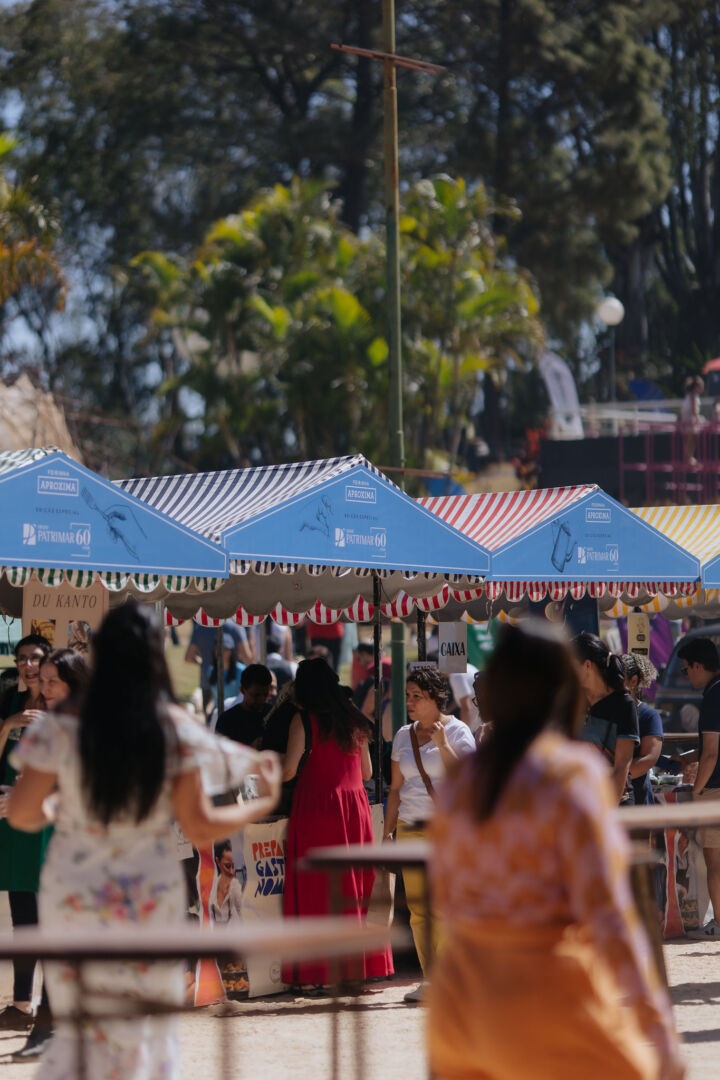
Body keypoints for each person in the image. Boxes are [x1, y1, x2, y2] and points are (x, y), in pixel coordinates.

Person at [8, 601, 281, 1080]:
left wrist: (61, 808)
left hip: (75, 890)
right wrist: (259, 805)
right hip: (146, 895)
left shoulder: (65, 724)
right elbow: (200, 827)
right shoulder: (171, 726)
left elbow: (26, 814)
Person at [427, 621, 685, 1080]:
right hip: (550, 996)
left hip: (461, 1005)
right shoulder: (570, 773)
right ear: (561, 693)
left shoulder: (462, 782)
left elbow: (448, 896)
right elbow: (609, 913)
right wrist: (659, 1031)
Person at [281, 657, 393, 993]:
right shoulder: (355, 719)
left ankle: (317, 972)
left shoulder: (303, 721)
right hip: (353, 806)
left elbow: (287, 771)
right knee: (353, 889)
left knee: (317, 889)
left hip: (318, 805)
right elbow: (368, 773)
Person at [383, 667, 476, 1004]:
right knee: (420, 910)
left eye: (416, 696)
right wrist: (386, 834)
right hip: (410, 828)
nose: (409, 702)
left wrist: (443, 745)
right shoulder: (402, 736)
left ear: (436, 699)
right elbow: (396, 789)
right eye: (407, 695)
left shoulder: (459, 731)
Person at [0, 634, 51, 1048]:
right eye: (22, 659)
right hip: (12, 818)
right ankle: (20, 1003)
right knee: (22, 915)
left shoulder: (62, 708)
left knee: (50, 915)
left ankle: (53, 1008)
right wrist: (7, 725)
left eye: (35, 658)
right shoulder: (7, 702)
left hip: (49, 821)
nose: (28, 666)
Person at [672, 637, 720, 937]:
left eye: (687, 669)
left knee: (715, 861)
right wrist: (686, 757)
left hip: (715, 790)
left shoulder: (714, 694)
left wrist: (698, 789)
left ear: (699, 666)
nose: (687, 675)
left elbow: (712, 753)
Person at [574, 632, 639, 804]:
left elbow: (622, 764)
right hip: (579, 802)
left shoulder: (623, 704)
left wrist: (607, 810)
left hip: (615, 801)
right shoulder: (573, 702)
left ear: (587, 665)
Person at [184, 620, 253, 719]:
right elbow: (247, 657)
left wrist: (203, 663)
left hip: (208, 682)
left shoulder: (200, 627)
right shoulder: (235, 627)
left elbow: (189, 657)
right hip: (217, 681)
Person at [622, 654, 663, 807]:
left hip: (637, 797)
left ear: (633, 681)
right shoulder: (606, 712)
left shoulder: (648, 715)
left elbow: (649, 758)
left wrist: (615, 777)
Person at [215, 664, 274, 747]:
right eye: (256, 695)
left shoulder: (273, 715)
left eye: (265, 694)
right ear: (242, 690)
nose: (261, 700)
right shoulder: (227, 720)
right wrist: (250, 748)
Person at [209, 840, 243, 923]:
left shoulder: (235, 887)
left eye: (233, 866)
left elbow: (244, 916)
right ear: (218, 862)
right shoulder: (211, 887)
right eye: (227, 866)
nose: (231, 871)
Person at [208, 632, 245, 705]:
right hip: (217, 711)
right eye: (217, 649)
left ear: (231, 651)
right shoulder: (210, 671)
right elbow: (214, 695)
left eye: (225, 649)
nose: (220, 652)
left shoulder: (242, 671)